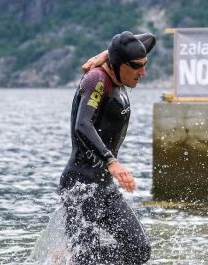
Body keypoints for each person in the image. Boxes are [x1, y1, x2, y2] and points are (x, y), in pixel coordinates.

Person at [59, 31, 156, 264]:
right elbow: (82, 124)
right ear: (120, 64)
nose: (142, 72)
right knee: (86, 259)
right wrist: (111, 161)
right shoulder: (97, 80)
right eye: (136, 67)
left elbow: (150, 38)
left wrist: (106, 53)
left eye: (145, 65)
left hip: (104, 188)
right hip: (80, 187)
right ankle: (73, 258)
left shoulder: (119, 67)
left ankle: (69, 258)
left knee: (139, 250)